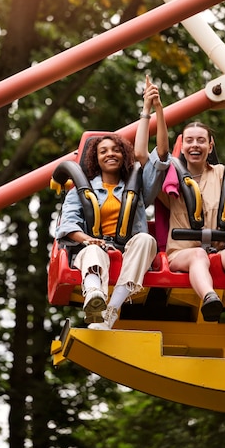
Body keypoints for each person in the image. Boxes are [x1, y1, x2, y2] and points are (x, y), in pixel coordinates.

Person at [135, 78, 225, 359]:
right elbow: (142, 154)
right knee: (198, 254)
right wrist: (152, 109)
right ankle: (210, 298)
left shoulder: (222, 174)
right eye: (189, 141)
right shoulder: (171, 179)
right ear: (181, 146)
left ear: (210, 145)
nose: (195, 145)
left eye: (201, 140)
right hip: (182, 253)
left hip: (218, 250)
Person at [55, 132, 167, 330]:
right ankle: (93, 294)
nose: (110, 154)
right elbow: (68, 224)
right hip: (95, 245)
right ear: (95, 158)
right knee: (92, 251)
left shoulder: (137, 189)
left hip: (128, 248)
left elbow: (158, 164)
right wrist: (88, 239)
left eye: (116, 150)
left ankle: (111, 311)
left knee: (147, 240)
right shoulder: (81, 190)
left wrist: (151, 109)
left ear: (124, 155)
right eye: (103, 151)